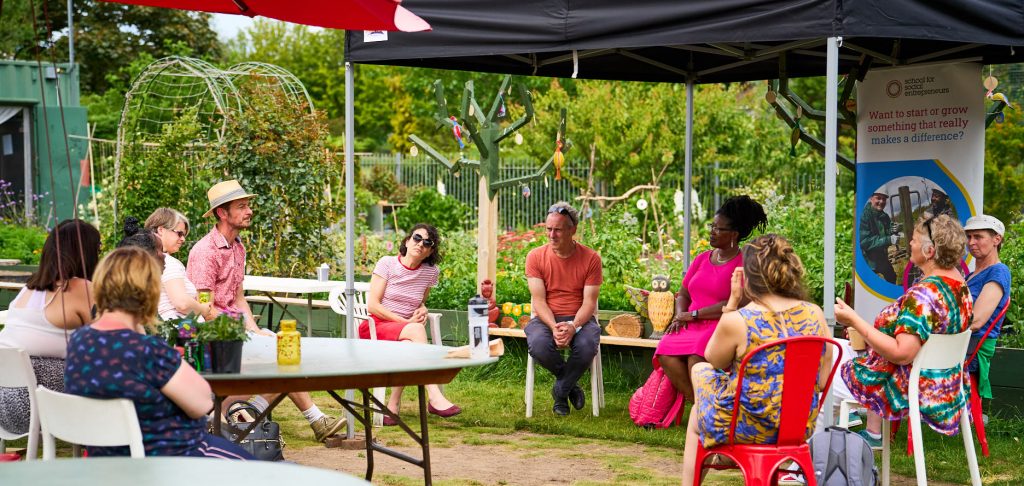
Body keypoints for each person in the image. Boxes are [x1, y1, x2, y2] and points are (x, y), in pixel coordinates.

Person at [186, 179, 344, 443]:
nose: (250, 211)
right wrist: (245, 334)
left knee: (285, 351)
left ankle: (251, 413)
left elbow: (238, 299)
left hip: (234, 331)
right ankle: (307, 419)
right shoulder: (205, 252)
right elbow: (206, 309)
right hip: (211, 335)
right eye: (242, 206)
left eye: (248, 205)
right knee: (281, 356)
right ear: (222, 213)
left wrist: (256, 330)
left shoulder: (238, 247)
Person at [63, 247, 252, 459]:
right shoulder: (147, 350)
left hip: (107, 460)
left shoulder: (79, 342)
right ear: (149, 292)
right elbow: (203, 404)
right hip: (171, 458)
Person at [681, 234, 831, 484]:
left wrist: (732, 302)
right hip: (799, 427)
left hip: (746, 427)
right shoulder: (814, 314)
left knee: (700, 373)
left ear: (747, 276)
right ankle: (726, 449)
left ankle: (708, 462)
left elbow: (713, 359)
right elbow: (823, 380)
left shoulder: (739, 320)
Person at [835, 214, 972, 448]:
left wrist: (855, 320)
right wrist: (867, 336)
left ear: (929, 251)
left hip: (903, 385)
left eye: (915, 239)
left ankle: (809, 459)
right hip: (944, 384)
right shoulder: (960, 289)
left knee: (815, 361)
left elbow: (902, 353)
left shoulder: (923, 295)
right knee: (831, 346)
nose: (910, 243)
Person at [657, 195, 767, 403]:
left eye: (718, 228)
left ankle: (704, 408)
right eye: (712, 226)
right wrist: (681, 314)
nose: (712, 231)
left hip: (722, 324)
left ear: (734, 234)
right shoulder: (702, 258)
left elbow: (737, 301)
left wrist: (694, 314)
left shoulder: (744, 262)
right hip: (691, 322)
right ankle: (698, 404)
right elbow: (683, 292)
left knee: (696, 355)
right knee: (665, 350)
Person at [0, 220, 101, 435]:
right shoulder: (80, 287)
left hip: (3, 403)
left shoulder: (29, 289)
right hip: (37, 404)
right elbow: (108, 339)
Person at [366, 223, 461, 424]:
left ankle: (392, 406)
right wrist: (406, 322)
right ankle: (434, 396)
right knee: (416, 330)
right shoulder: (387, 263)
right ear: (407, 241)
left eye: (428, 243)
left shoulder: (430, 272)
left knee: (408, 346)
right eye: (417, 238)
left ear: (430, 252)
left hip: (406, 333)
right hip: (376, 326)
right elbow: (372, 306)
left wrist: (423, 308)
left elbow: (420, 300)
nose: (421, 244)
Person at [524, 202, 602, 416]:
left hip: (580, 319)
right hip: (546, 318)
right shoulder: (535, 257)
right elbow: (538, 301)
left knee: (587, 345)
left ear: (572, 230)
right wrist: (554, 326)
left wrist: (573, 326)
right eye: (548, 229)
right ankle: (570, 386)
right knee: (538, 344)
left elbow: (589, 303)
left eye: (557, 229)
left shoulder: (591, 258)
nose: (551, 235)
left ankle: (560, 392)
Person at [963, 214, 1011, 403]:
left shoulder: (998, 271)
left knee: (902, 352)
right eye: (969, 237)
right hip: (962, 343)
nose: (971, 242)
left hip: (972, 348)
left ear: (996, 239)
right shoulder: (971, 275)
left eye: (978, 237)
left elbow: (976, 321)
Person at [144, 208, 216, 321]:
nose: (183, 239)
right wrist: (203, 309)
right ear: (161, 230)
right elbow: (182, 303)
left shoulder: (145, 260)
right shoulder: (167, 262)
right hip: (180, 331)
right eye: (179, 233)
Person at [859, 192, 898, 284]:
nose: (881, 201)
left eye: (884, 199)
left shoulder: (884, 216)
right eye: (878, 198)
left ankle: (890, 297)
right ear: (871, 198)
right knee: (869, 283)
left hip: (881, 257)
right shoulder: (864, 215)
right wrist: (889, 239)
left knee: (891, 276)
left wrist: (892, 230)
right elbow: (865, 242)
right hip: (868, 260)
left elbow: (886, 232)